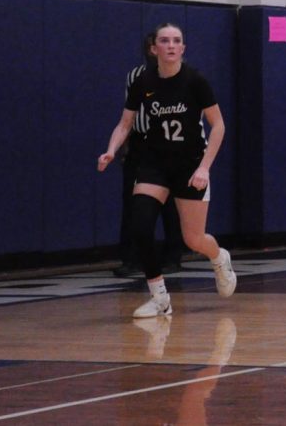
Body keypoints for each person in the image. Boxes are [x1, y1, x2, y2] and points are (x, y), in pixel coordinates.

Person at [98, 23, 237, 318]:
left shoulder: (195, 81)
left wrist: (204, 168)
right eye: (165, 40)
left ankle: (218, 256)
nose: (171, 45)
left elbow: (219, 125)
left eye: (177, 41)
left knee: (193, 239)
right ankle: (159, 296)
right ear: (154, 48)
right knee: (140, 224)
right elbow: (125, 123)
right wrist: (111, 149)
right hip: (154, 163)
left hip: (190, 165)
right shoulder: (143, 81)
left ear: (183, 49)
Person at [115, 32, 184, 278]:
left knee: (170, 205)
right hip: (141, 144)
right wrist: (123, 147)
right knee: (133, 203)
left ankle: (173, 256)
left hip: (171, 145)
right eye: (153, 45)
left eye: (167, 43)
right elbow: (128, 117)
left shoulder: (184, 77)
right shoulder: (135, 76)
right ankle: (131, 258)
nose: (155, 50)